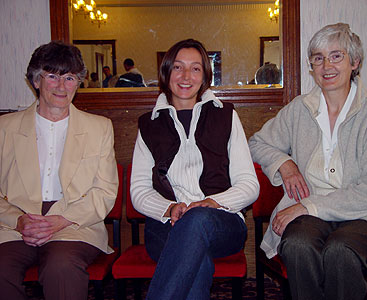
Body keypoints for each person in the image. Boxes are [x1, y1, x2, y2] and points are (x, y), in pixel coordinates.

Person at [249, 23, 367, 300]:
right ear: (311, 66)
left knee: (341, 251)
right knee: (295, 245)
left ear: (355, 62)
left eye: (336, 56)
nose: (326, 65)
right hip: (312, 211)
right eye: (318, 58)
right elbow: (257, 144)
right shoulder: (299, 108)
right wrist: (285, 163)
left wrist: (309, 205)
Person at [130, 38, 259, 300]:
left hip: (222, 223)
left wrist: (212, 202)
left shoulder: (225, 116)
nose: (186, 76)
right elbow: (139, 190)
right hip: (166, 224)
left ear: (205, 76)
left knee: (196, 221)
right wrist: (168, 208)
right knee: (195, 260)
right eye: (178, 68)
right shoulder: (149, 124)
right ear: (166, 73)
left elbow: (249, 185)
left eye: (195, 68)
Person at [0, 41, 119, 300]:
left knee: (61, 267)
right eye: (52, 76)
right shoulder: (4, 128)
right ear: (35, 80)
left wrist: (61, 220)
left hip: (75, 223)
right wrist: (18, 220)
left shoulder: (99, 128)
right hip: (14, 224)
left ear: (78, 82)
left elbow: (105, 191)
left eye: (70, 77)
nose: (62, 86)